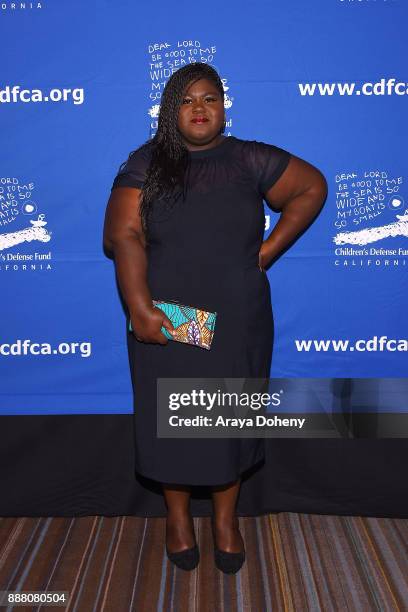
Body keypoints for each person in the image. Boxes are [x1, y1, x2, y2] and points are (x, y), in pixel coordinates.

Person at [103, 63, 327, 573]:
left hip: (238, 313)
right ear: (170, 111)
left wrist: (267, 251)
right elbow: (123, 236)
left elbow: (311, 187)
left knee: (227, 423)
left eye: (210, 98)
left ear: (224, 106)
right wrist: (140, 308)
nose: (200, 108)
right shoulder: (146, 161)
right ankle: (178, 519)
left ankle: (226, 521)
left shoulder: (250, 158)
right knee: (172, 423)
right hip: (170, 316)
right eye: (187, 100)